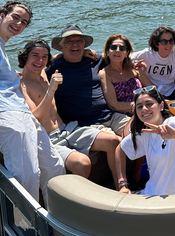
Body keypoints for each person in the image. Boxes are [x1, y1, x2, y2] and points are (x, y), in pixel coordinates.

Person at [0, 0, 64, 203]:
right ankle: (24, 227)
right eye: (15, 17)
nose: (19, 24)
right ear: (2, 15)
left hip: (21, 112)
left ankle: (56, 217)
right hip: (6, 114)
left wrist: (12, 75)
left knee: (54, 166)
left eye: (24, 22)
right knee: (27, 175)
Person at [18, 38, 120, 178]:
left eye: (44, 57)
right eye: (35, 56)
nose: (40, 61)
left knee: (113, 141)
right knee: (83, 163)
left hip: (67, 129)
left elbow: (55, 57)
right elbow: (36, 117)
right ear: (25, 57)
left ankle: (121, 186)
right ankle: (79, 199)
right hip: (48, 139)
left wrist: (82, 52)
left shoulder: (43, 72)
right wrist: (51, 91)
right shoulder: (21, 85)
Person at [47, 24, 128, 136]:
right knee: (117, 140)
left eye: (79, 41)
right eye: (69, 41)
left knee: (138, 130)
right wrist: (58, 56)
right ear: (61, 47)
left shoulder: (95, 59)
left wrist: (138, 67)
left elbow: (118, 63)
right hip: (85, 124)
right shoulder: (52, 68)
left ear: (84, 45)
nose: (75, 44)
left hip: (110, 115)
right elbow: (35, 69)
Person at [99, 34, 153, 117]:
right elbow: (114, 105)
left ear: (127, 53)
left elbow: (151, 88)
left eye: (122, 48)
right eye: (113, 47)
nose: (117, 50)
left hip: (146, 107)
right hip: (125, 114)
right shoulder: (105, 74)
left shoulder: (133, 68)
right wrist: (138, 106)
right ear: (107, 52)